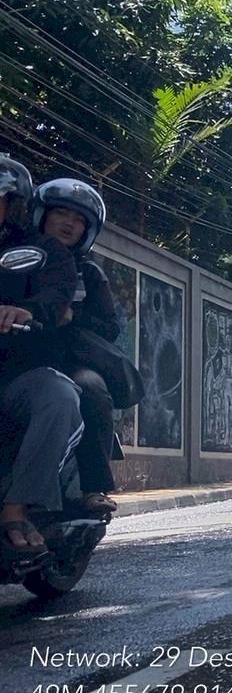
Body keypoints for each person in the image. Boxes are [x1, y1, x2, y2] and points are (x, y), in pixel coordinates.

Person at [0, 155, 84, 556]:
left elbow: (56, 293)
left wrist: (27, 311)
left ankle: (16, 508)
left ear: (13, 204)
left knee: (59, 397)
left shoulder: (42, 249)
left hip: (18, 372)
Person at [32, 178, 120, 515]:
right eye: (61, 213)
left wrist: (72, 316)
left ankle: (92, 485)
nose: (69, 223)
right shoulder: (16, 256)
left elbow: (109, 328)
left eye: (79, 218)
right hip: (19, 355)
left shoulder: (89, 273)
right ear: (41, 215)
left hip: (69, 360)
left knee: (91, 387)